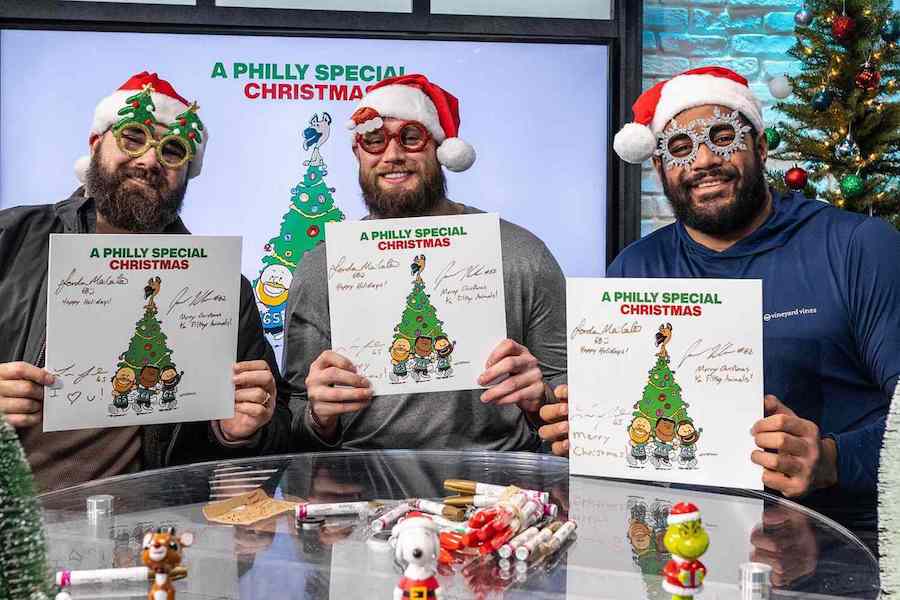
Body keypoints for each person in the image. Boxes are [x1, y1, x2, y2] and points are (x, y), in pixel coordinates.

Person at [539, 66, 900, 527]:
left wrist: (831, 460)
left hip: (845, 541)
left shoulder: (857, 247)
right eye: (681, 147)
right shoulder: (635, 268)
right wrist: (577, 423)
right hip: (681, 537)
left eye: (723, 136)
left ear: (762, 148)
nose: (704, 159)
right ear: (659, 167)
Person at [0, 71, 292, 492]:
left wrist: (240, 431)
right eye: (134, 137)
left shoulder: (223, 287)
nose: (151, 161)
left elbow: (273, 433)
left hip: (150, 530)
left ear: (188, 172)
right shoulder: (11, 238)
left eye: (173, 150)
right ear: (96, 144)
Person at [283, 74, 566, 451]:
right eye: (374, 139)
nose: (393, 154)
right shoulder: (321, 268)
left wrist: (540, 400)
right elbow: (294, 420)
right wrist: (319, 415)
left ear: (440, 148)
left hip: (496, 482)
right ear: (357, 154)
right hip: (356, 482)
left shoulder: (522, 255)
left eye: (411, 137)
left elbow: (571, 410)